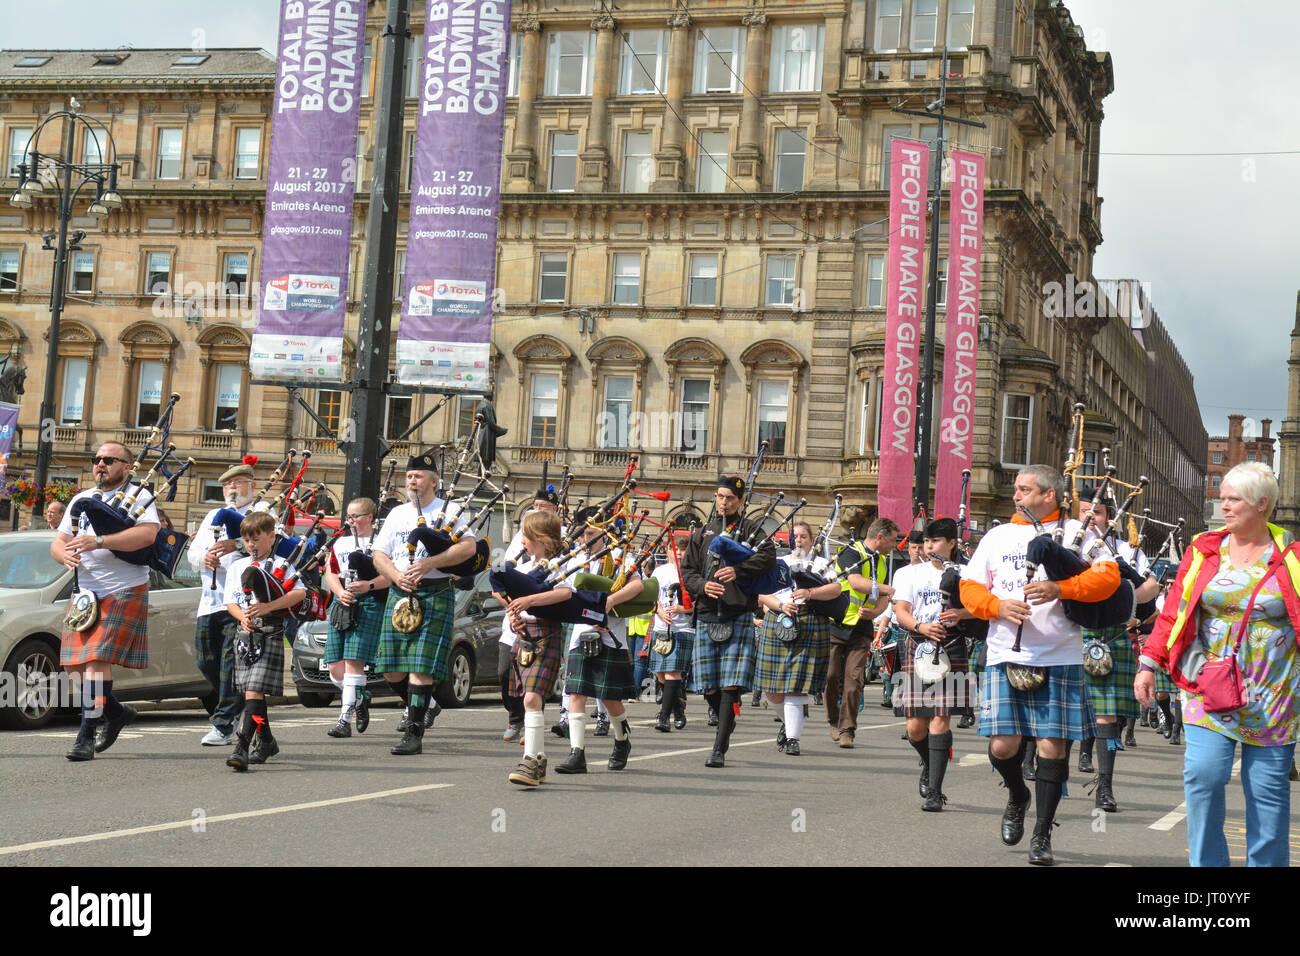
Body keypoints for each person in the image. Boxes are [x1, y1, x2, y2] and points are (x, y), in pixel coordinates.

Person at [1137, 463, 1299, 867]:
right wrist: (1148, 662)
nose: (1222, 505)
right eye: (1222, 497)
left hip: (1273, 695)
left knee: (1267, 794)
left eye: (1233, 499)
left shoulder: (1292, 558)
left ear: (1262, 505)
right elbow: (1174, 612)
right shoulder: (1205, 549)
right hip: (1207, 686)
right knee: (1204, 778)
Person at [960, 465, 1120, 865]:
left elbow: (1109, 579)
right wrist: (997, 606)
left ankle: (1042, 833)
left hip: (1060, 655)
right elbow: (969, 587)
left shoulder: (1078, 532)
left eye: (1025, 489)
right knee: (1002, 745)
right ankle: (1017, 794)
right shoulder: (997, 536)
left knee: (1052, 747)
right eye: (1016, 489)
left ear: (1049, 494)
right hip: (1005, 652)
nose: (1016, 495)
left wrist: (1059, 587)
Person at [53, 443, 160, 761]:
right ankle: (115, 713)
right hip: (85, 594)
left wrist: (98, 540)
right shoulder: (80, 499)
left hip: (124, 587)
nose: (100, 464)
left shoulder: (139, 498)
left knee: (97, 660)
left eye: (109, 460)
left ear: (127, 467)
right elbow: (58, 542)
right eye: (97, 459)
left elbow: (147, 536)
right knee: (74, 668)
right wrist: (65, 556)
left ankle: (85, 736)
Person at [371, 452, 478, 756]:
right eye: (409, 476)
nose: (412, 481)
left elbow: (469, 548)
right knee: (390, 669)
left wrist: (431, 562)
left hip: (434, 592)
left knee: (420, 667)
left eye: (418, 476)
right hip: (399, 594)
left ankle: (414, 733)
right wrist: (395, 575)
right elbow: (379, 555)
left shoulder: (450, 510)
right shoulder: (397, 514)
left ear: (433, 482)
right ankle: (426, 703)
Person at [680, 475, 776, 768]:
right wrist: (701, 586)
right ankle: (727, 715)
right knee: (708, 687)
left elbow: (769, 557)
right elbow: (688, 571)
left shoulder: (752, 529)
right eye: (720, 497)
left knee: (729, 686)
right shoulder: (702, 533)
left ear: (741, 500)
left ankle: (719, 748)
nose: (724, 502)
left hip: (737, 614)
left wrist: (740, 570)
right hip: (708, 614)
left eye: (730, 498)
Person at [1074, 498, 1160, 812]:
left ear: (1110, 516)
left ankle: (1105, 787)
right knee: (1060, 712)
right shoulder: (1066, 543)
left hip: (1113, 632)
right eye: (1083, 512)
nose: (1089, 517)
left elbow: (1152, 588)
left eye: (1095, 512)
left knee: (1107, 713)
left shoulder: (1127, 551)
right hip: (1069, 633)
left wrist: (1122, 599)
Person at [892, 518, 977, 810]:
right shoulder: (910, 573)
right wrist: (919, 626)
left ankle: (935, 792)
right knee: (915, 727)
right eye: (926, 542)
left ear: (952, 543)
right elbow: (901, 610)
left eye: (935, 542)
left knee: (941, 718)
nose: (928, 547)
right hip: (919, 644)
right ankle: (930, 763)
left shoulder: (968, 572)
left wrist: (959, 615)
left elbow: (980, 607)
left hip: (952, 645)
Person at [555, 520, 644, 774]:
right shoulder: (574, 559)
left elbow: (637, 585)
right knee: (576, 692)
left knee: (609, 697)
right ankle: (577, 753)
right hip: (580, 633)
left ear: (604, 534)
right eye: (583, 534)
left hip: (610, 635)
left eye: (591, 534)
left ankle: (622, 741)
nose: (586, 539)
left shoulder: (619, 555)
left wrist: (610, 601)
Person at [222, 510, 306, 770]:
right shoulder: (237, 566)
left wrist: (268, 607)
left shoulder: (281, 564)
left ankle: (242, 746)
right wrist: (242, 618)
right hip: (245, 633)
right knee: (251, 693)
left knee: (254, 691)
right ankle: (266, 739)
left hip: (269, 630)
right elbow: (231, 602)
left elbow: (299, 593)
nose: (251, 545)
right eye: (247, 540)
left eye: (256, 539)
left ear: (271, 537)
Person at [187, 457, 260, 747]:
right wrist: (202, 557)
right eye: (228, 484)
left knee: (231, 663)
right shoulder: (212, 516)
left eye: (238, 482)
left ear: (251, 486)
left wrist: (237, 543)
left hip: (242, 602)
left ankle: (223, 723)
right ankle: (236, 700)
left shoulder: (261, 511)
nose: (232, 487)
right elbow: (192, 553)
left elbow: (273, 543)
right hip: (210, 600)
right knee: (207, 661)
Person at [755, 521, 840, 756]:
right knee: (771, 691)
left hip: (810, 621)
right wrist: (781, 605)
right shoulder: (779, 564)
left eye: (804, 536)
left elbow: (836, 589)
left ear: (812, 539)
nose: (799, 540)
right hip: (778, 620)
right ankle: (791, 720)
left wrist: (809, 592)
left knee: (795, 688)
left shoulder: (822, 564)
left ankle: (793, 738)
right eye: (795, 536)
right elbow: (762, 595)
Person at [501, 510, 568, 786]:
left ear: (541, 539)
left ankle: (530, 759)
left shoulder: (558, 565)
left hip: (546, 633)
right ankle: (538, 760)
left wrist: (530, 601)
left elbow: (564, 593)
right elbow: (515, 604)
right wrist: (515, 617)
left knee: (531, 698)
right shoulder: (525, 569)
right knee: (529, 699)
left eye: (526, 536)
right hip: (525, 637)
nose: (522, 542)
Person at [825, 517, 898, 748]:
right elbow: (855, 582)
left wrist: (875, 611)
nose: (895, 545)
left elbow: (883, 600)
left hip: (861, 629)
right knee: (831, 677)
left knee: (854, 680)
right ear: (880, 537)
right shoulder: (851, 551)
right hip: (837, 623)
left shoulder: (884, 562)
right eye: (893, 540)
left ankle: (847, 729)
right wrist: (888, 588)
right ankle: (834, 720)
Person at [497, 483, 561, 742]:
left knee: (534, 686)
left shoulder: (558, 548)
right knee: (506, 673)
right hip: (514, 624)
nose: (536, 510)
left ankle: (532, 729)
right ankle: (515, 719)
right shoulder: (521, 544)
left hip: (543, 625)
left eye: (542, 507)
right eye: (534, 506)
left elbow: (566, 591)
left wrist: (529, 601)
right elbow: (499, 584)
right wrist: (513, 610)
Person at [321, 497, 389, 737]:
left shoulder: (382, 542)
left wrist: (369, 585)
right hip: (343, 602)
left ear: (370, 518)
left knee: (353, 663)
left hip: (369, 603)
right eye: (348, 517)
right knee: (335, 669)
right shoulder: (340, 543)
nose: (351, 521)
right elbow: (331, 573)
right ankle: (361, 697)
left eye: (356, 517)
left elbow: (391, 576)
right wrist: (340, 592)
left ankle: (344, 720)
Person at [649, 531, 694, 732]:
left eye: (684, 550)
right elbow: (651, 596)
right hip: (661, 627)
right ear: (667, 550)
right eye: (675, 549)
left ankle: (664, 717)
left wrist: (683, 609)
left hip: (682, 628)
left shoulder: (693, 572)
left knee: (672, 672)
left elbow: (699, 603)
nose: (679, 554)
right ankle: (679, 709)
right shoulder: (660, 572)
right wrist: (659, 611)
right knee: (660, 674)